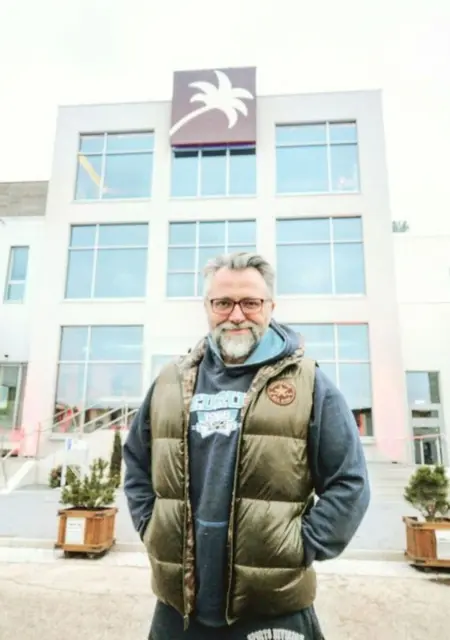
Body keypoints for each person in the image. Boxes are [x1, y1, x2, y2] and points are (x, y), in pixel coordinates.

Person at [123, 252, 370, 640]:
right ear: (207, 307)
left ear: (270, 306)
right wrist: (152, 526)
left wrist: (300, 546)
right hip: (178, 609)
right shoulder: (170, 381)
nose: (236, 315)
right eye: (223, 302)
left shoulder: (309, 383)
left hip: (273, 607)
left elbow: (349, 481)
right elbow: (137, 462)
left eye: (250, 302)